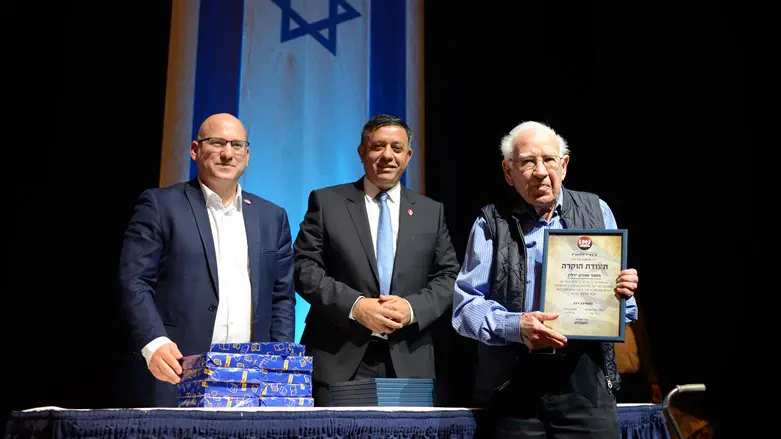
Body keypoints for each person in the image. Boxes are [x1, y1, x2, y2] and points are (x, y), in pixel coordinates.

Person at [451, 121, 639, 438]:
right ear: (508, 172)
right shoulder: (490, 222)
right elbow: (465, 307)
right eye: (527, 161)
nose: (540, 171)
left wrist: (623, 291)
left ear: (563, 166)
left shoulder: (598, 210)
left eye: (549, 160)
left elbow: (625, 309)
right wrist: (515, 326)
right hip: (512, 386)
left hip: (585, 386)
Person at [118, 113, 296, 407]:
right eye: (217, 143)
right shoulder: (161, 205)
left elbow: (282, 297)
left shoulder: (272, 216)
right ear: (194, 149)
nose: (228, 153)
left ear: (247, 155)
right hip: (176, 370)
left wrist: (278, 363)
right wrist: (154, 342)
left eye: (237, 145)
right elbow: (134, 280)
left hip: (250, 379)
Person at [294, 114, 460, 406]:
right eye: (378, 147)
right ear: (361, 152)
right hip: (339, 361)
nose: (387, 156)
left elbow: (448, 276)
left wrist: (411, 308)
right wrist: (357, 307)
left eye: (396, 148)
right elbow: (304, 268)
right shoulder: (327, 202)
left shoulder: (430, 211)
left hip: (409, 363)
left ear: (408, 156)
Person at [615, 300, 663, 404]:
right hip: (608, 382)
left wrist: (652, 381)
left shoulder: (631, 307)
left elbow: (643, 345)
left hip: (634, 380)